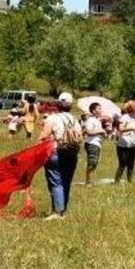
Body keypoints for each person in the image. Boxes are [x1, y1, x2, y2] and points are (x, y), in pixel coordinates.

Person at [39, 92, 83, 220]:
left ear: (58, 104)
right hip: (72, 154)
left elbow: (43, 136)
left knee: (56, 182)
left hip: (56, 153)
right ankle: (63, 210)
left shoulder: (52, 118)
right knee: (66, 183)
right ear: (70, 106)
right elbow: (80, 136)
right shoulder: (75, 120)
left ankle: (57, 212)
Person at [114, 101, 135, 184]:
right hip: (123, 144)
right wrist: (132, 129)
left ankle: (130, 181)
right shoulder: (124, 117)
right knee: (123, 164)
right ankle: (117, 181)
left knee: (131, 164)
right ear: (133, 109)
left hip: (132, 143)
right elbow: (121, 129)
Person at [83, 102, 106, 186]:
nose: (101, 110)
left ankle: (90, 181)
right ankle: (89, 182)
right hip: (92, 143)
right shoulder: (90, 120)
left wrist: (104, 133)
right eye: (99, 108)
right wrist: (100, 131)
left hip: (97, 143)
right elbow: (88, 132)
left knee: (94, 163)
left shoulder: (97, 121)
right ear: (93, 111)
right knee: (92, 163)